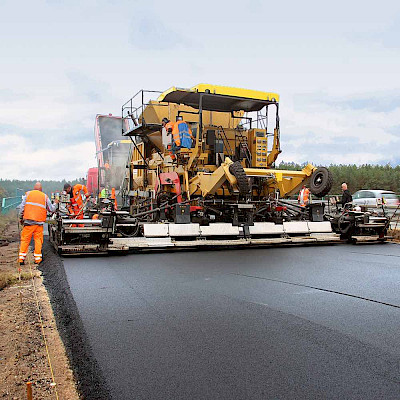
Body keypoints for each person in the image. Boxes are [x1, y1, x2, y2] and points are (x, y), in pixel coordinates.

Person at [19, 182, 57, 265]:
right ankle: (38, 259)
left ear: (34, 188)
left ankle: (21, 259)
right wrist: (56, 202)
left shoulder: (28, 194)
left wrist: (21, 218)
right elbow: (51, 209)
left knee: (25, 240)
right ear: (41, 189)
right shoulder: (44, 196)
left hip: (28, 222)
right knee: (38, 240)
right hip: (38, 224)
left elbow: (22, 207)